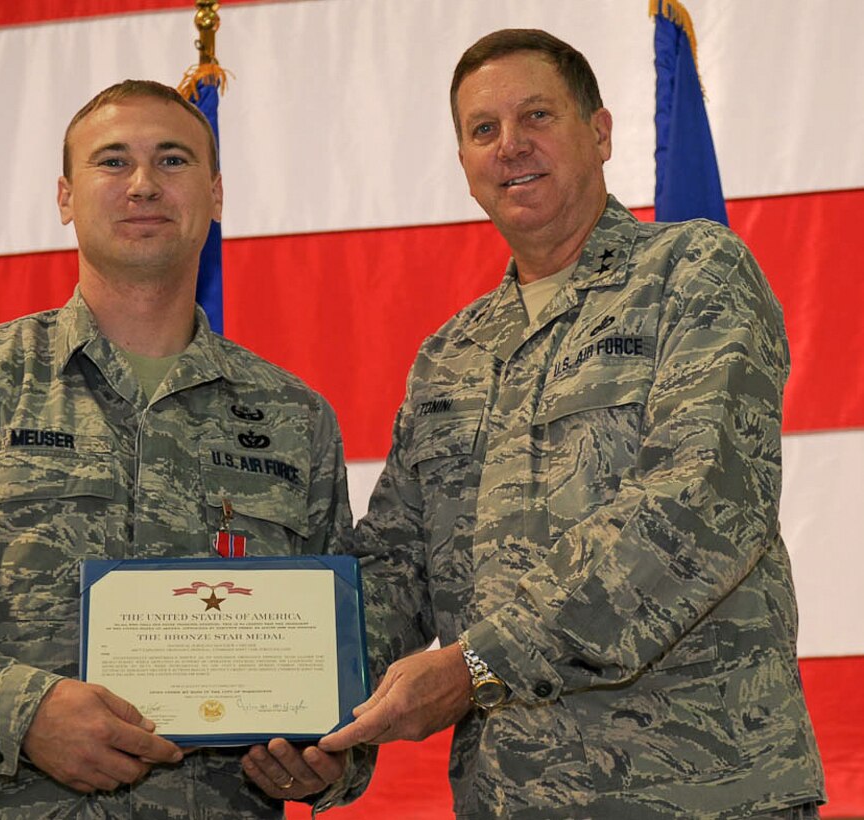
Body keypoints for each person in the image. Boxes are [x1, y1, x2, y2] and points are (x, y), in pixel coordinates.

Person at [320, 29, 826, 819]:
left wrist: (478, 664)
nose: (511, 145)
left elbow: (698, 504)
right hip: (509, 796)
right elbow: (396, 564)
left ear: (600, 132)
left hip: (699, 790)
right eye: (483, 130)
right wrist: (300, 707)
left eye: (537, 116)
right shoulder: (451, 354)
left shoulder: (693, 273)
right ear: (463, 162)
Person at [0, 80, 361, 818]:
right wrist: (24, 713)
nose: (143, 184)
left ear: (216, 194)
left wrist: (331, 760)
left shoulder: (295, 419)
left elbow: (344, 640)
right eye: (112, 162)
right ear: (65, 195)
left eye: (172, 161)